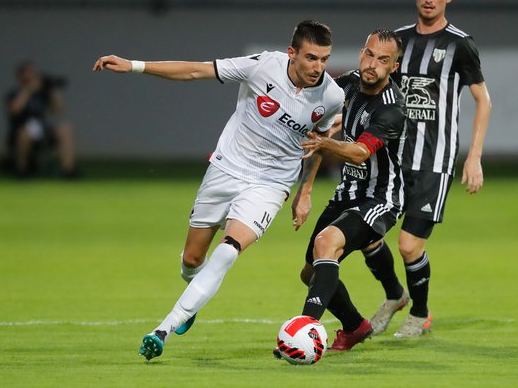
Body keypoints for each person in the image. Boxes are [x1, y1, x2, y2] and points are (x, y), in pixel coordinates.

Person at [92, 20, 344, 361]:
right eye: (311, 58)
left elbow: (321, 142)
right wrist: (135, 66)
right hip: (226, 169)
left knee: (227, 251)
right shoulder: (261, 67)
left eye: (324, 59)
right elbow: (195, 71)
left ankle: (163, 329)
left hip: (271, 184)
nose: (318, 67)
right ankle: (192, 297)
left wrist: (305, 191)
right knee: (192, 260)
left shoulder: (331, 95)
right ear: (292, 53)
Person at [361, 0, 492, 338]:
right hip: (392, 158)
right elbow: (376, 88)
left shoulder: (460, 44)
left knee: (407, 245)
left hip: (434, 161)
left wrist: (474, 156)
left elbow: (483, 100)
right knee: (366, 233)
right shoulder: (397, 43)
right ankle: (394, 296)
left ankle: (419, 313)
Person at [278, 28, 406, 354]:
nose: (372, 64)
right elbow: (320, 130)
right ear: (362, 53)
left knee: (326, 242)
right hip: (348, 191)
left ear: (394, 66)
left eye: (383, 60)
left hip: (380, 197)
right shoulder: (346, 83)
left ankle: (304, 331)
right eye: (369, 54)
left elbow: (360, 152)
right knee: (310, 273)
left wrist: (325, 140)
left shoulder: (391, 108)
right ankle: (355, 326)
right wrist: (304, 193)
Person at [4, 61, 78, 178]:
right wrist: (27, 91)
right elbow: (14, 110)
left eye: (35, 73)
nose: (34, 76)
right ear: (21, 76)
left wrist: (51, 90)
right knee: (24, 133)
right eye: (30, 73)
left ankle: (69, 170)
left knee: (65, 129)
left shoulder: (42, 93)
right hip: (21, 130)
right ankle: (21, 169)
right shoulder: (14, 93)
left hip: (41, 129)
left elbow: (59, 110)